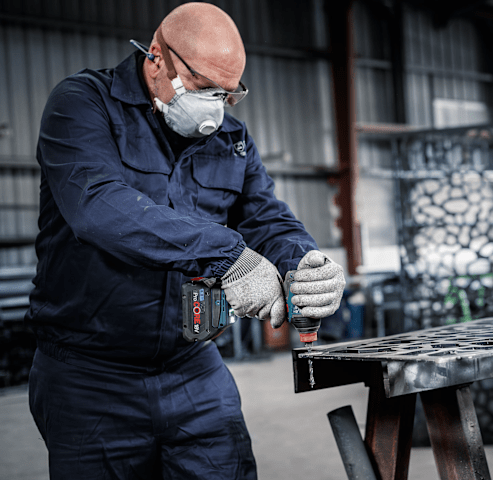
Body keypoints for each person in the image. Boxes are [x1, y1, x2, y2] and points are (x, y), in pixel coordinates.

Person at [25, 3, 346, 479]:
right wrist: (227, 256)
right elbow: (98, 206)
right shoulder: (83, 104)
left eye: (228, 94)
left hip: (193, 364)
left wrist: (305, 263)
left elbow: (265, 218)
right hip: (90, 374)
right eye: (203, 86)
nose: (215, 108)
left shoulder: (231, 138)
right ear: (157, 56)